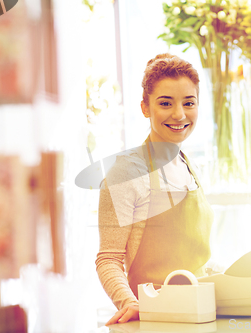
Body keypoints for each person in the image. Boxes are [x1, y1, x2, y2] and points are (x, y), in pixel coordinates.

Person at [95, 53, 214, 325]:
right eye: (165, 103)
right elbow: (108, 259)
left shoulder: (190, 166)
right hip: (155, 321)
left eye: (189, 102)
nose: (179, 114)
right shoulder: (125, 173)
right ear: (145, 108)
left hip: (202, 315)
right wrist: (130, 303)